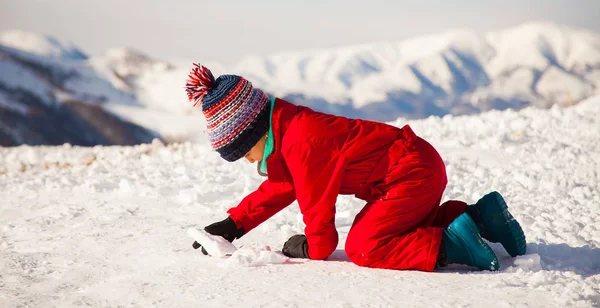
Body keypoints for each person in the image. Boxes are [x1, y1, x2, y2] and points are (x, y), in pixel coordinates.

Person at [185, 63, 526, 271]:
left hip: (409, 174)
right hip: (415, 167)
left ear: (254, 130)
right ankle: (482, 217)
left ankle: (454, 246)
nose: (246, 159)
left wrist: (311, 249)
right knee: (400, 226)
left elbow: (317, 213)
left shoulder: (303, 144)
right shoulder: (290, 129)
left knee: (366, 245)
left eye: (242, 151)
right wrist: (234, 224)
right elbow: (283, 184)